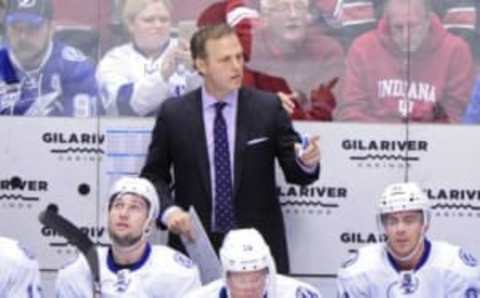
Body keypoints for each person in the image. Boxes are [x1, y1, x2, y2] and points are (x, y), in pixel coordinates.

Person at [140, 23, 321, 274]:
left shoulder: (267, 108)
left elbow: (296, 172)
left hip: (257, 248)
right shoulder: (175, 113)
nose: (236, 66)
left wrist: (306, 161)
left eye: (239, 57)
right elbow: (153, 176)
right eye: (225, 59)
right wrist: (170, 211)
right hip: (195, 245)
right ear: (201, 65)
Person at [55, 177, 201, 297]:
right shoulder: (78, 271)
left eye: (134, 207)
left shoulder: (176, 272)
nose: (123, 214)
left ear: (149, 223)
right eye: (118, 205)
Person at [335, 0, 474, 123]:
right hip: (374, 146)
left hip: (434, 143)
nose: (406, 35)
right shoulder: (362, 49)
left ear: (428, 21)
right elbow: (350, 112)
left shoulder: (456, 51)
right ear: (387, 21)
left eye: (413, 26)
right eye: (398, 27)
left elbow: (457, 116)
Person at [337, 182, 480, 297]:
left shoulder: (455, 268)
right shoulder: (359, 271)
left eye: (409, 220)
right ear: (384, 226)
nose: (400, 229)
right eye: (392, 221)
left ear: (425, 224)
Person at [96, 0, 198, 116]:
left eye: (164, 20)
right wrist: (162, 76)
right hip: (132, 133)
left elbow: (211, 102)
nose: (158, 25)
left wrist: (197, 71)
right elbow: (122, 106)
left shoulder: (188, 51)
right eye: (149, 20)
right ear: (131, 25)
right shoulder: (114, 59)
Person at [0, 0, 101, 117]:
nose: (23, 36)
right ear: (6, 29)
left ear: (51, 28)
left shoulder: (76, 67)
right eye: (16, 28)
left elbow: (80, 128)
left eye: (33, 28)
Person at [248, 0, 345, 121]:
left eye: (299, 6)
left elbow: (328, 110)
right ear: (265, 17)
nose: (293, 15)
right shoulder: (249, 50)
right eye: (282, 7)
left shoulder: (326, 51)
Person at [185, 228, 322, 298]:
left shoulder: (297, 294)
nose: (249, 288)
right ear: (227, 277)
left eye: (256, 279)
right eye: (242, 280)